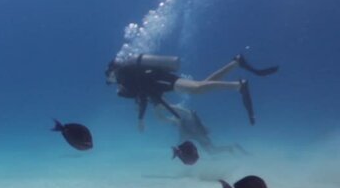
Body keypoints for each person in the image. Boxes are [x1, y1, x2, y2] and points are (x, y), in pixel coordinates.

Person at [105, 53, 278, 130]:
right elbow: (143, 92)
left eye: (109, 79)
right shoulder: (125, 75)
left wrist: (141, 119)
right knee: (202, 84)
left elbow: (142, 94)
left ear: (112, 72)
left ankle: (239, 85)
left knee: (197, 90)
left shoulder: (123, 77)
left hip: (165, 80)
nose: (111, 83)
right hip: (163, 79)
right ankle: (236, 62)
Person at [155, 103, 248, 155]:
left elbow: (182, 111)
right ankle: (230, 148)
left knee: (212, 151)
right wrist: (157, 109)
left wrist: (164, 105)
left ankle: (233, 146)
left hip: (200, 135)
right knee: (212, 152)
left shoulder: (187, 114)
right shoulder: (176, 120)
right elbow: (162, 120)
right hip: (194, 136)